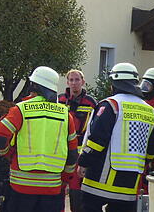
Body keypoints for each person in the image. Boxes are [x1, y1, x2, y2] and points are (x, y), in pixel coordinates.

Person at [78, 62, 154, 212]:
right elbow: (153, 147)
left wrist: (83, 162)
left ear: (114, 84)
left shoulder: (111, 105)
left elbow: (97, 140)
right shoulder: (150, 111)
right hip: (130, 182)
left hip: (100, 178)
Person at [0, 66, 78, 212]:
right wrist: (64, 180)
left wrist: (9, 155)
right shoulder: (66, 115)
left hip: (21, 186)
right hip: (52, 188)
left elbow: (0, 137)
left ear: (33, 86)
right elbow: (72, 154)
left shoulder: (20, 109)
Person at [58, 69, 98, 212]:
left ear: (83, 81)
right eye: (71, 80)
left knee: (76, 191)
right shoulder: (60, 100)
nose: (74, 83)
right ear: (67, 82)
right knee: (58, 189)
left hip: (79, 152)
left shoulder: (91, 102)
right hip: (60, 150)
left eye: (77, 80)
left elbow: (95, 128)